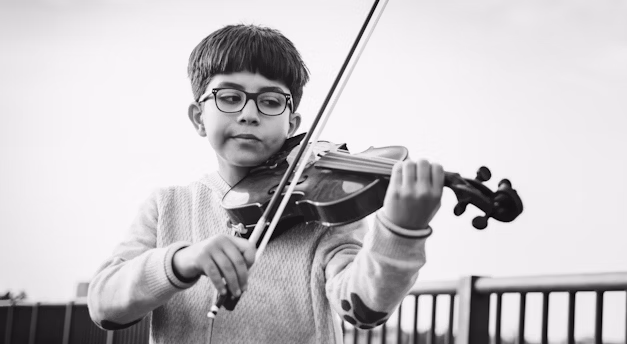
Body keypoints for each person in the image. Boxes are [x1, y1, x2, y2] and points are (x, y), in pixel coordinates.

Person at [87, 24, 444, 344]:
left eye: (271, 101)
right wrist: (183, 259)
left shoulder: (324, 211)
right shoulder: (168, 206)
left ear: (292, 124)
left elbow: (364, 308)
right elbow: (105, 306)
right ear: (198, 117)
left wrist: (400, 231)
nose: (249, 113)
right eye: (229, 97)